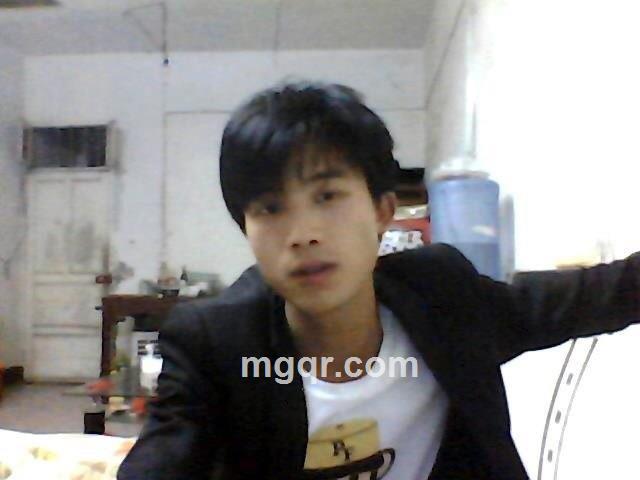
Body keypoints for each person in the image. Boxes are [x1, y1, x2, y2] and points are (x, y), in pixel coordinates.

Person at [117, 81, 640, 480]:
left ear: (382, 211)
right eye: (271, 208)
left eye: (327, 196)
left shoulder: (441, 297)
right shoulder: (216, 344)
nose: (302, 234)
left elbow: (598, 294)